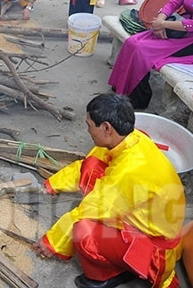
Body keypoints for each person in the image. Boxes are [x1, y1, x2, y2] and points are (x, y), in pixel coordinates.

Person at [31, 93, 185, 288]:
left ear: (106, 128)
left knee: (83, 230)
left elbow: (92, 209)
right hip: (146, 216)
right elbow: (87, 166)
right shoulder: (130, 138)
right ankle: (119, 262)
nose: (87, 130)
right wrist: (52, 185)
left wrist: (52, 241)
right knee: (94, 165)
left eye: (89, 125)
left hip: (155, 246)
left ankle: (107, 275)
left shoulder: (130, 171)